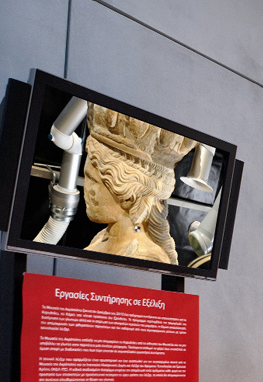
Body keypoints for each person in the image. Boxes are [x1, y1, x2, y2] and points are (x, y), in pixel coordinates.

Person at [83, 103, 195, 264]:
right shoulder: (101, 239)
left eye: (93, 181)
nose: (87, 190)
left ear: (128, 197)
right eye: (87, 178)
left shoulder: (146, 258)